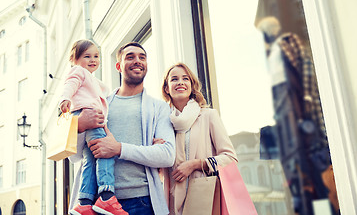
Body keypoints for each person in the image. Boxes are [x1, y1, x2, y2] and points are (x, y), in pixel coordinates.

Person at [68, 42, 176, 215]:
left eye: (142, 57)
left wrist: (118, 149)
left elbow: (167, 155)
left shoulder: (159, 108)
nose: (137, 61)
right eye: (130, 57)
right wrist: (80, 126)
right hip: (98, 204)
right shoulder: (100, 104)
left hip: (142, 201)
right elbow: (75, 157)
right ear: (118, 66)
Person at [59, 39, 128, 215]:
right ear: (74, 59)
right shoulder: (78, 71)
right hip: (87, 114)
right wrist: (65, 98)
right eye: (87, 56)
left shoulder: (92, 79)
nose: (93, 60)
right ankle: (106, 196)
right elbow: (70, 83)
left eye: (96, 56)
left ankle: (84, 202)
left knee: (90, 158)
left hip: (86, 114)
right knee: (104, 152)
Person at [161, 62, 238, 215]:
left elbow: (230, 158)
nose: (180, 82)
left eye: (185, 79)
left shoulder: (208, 116)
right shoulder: (162, 122)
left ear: (191, 85)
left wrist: (196, 164)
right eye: (174, 79)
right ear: (166, 88)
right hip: (171, 202)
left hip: (204, 197)